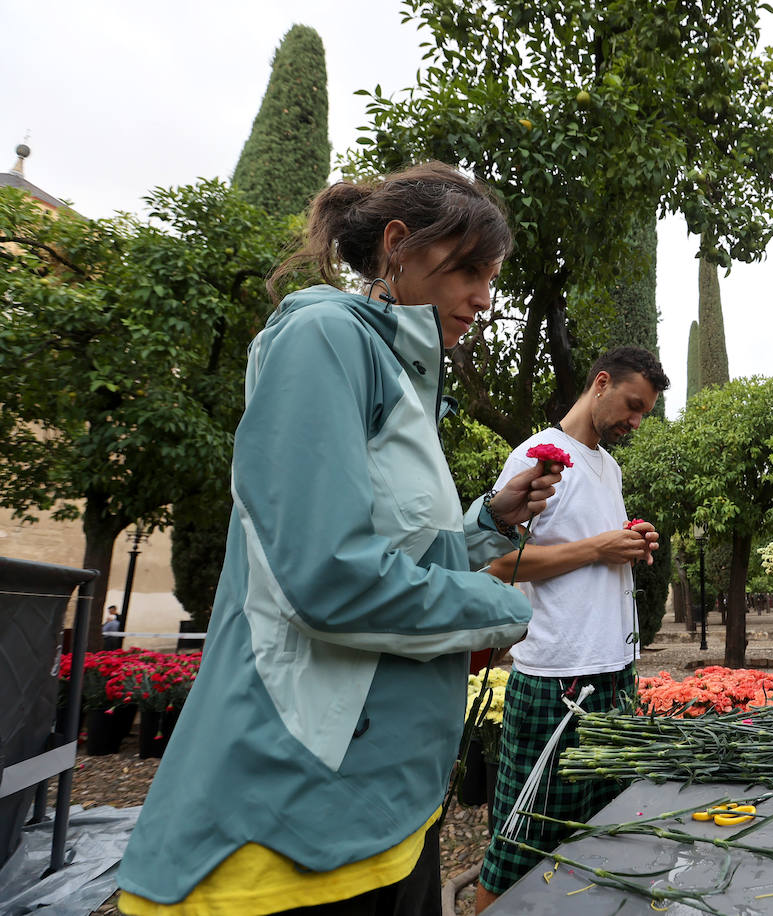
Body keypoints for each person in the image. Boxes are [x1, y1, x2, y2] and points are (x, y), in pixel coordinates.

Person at [116, 162, 564, 916]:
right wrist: (503, 610)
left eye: (492, 277)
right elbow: (328, 577)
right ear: (398, 245)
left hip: (388, 803)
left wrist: (488, 521)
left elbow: (397, 558)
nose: (485, 298)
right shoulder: (324, 336)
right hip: (293, 818)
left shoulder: (400, 370)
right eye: (470, 271)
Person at [474, 347, 669, 912]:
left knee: (604, 831)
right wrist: (599, 547)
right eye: (633, 405)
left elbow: (593, 550)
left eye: (644, 413)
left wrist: (631, 540)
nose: (636, 420)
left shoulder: (609, 468)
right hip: (556, 675)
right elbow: (498, 561)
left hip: (614, 672)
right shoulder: (539, 454)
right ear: (601, 383)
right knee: (520, 840)